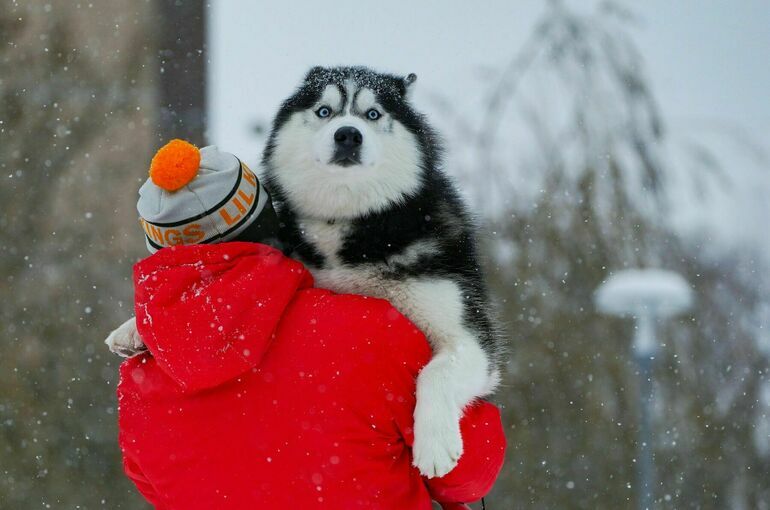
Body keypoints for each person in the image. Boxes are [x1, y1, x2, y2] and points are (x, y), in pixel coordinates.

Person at [112, 140, 506, 509]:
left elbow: (158, 490)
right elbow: (466, 473)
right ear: (270, 221)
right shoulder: (371, 331)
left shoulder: (140, 384)